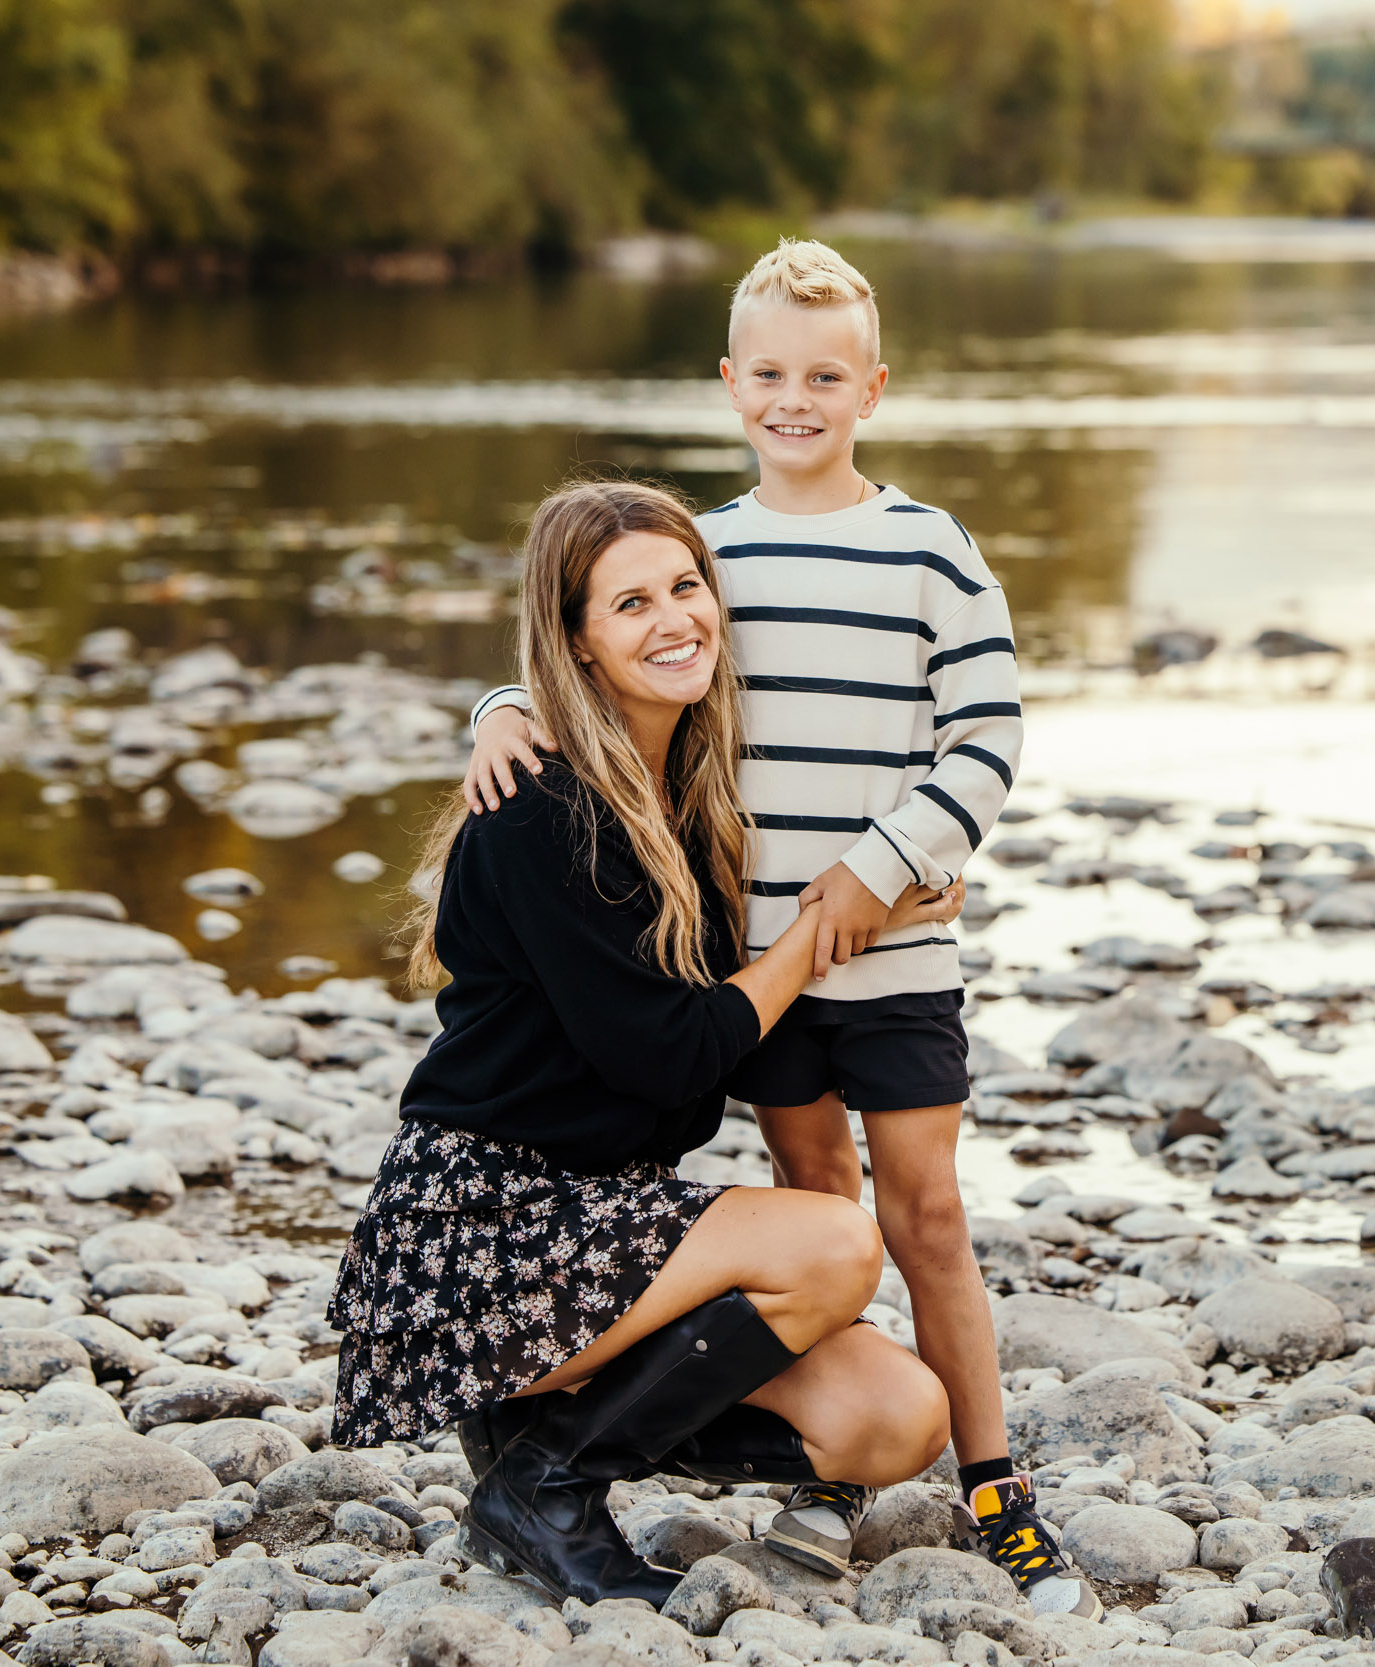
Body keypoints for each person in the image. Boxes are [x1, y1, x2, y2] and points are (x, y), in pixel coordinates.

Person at [462, 240, 1097, 1620]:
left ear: (873, 386)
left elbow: (987, 737)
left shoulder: (931, 547)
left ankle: (996, 1482)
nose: (794, 398)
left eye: (824, 375)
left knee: (925, 1211)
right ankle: (842, 1458)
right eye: (768, 374)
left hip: (899, 950)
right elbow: (594, 637)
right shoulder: (709, 553)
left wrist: (887, 866)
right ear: (729, 385)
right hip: (753, 966)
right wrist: (494, 712)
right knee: (818, 1206)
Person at [326, 479, 955, 1606]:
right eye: (630, 604)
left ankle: (542, 1451)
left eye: (685, 587)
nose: (675, 619)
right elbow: (675, 1054)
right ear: (576, 638)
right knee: (831, 1243)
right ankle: (547, 1485)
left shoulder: (688, 795)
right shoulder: (542, 809)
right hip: (477, 1240)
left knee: (897, 1416)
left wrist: (898, 868)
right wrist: (834, 919)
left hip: (606, 1243)